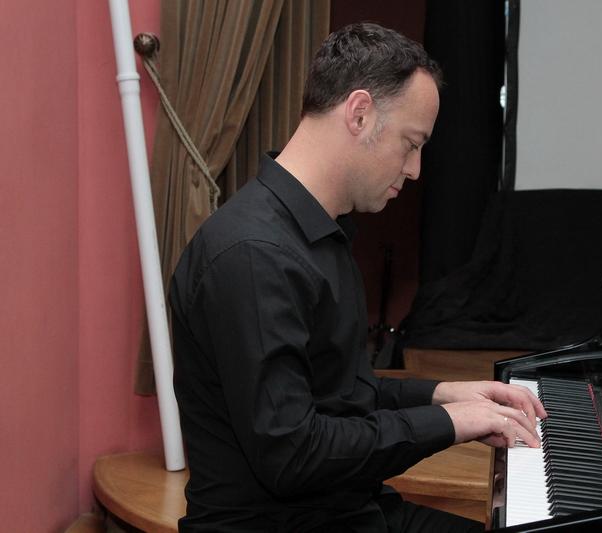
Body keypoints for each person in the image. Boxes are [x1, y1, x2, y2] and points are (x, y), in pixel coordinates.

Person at [170, 22, 546, 533]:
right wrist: (449, 423)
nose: (414, 169)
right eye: (410, 144)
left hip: (344, 509)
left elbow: (341, 397)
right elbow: (293, 455)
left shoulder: (317, 233)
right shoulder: (254, 255)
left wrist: (444, 395)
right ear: (360, 113)